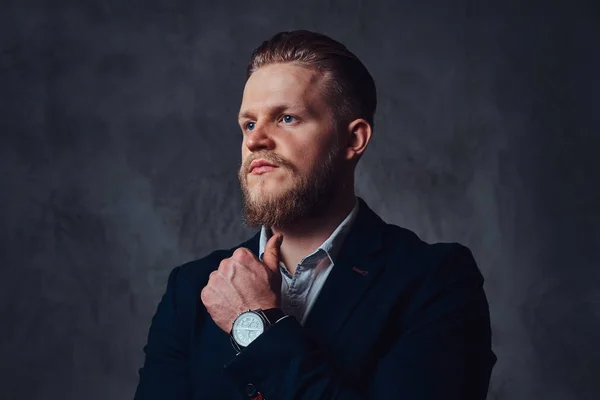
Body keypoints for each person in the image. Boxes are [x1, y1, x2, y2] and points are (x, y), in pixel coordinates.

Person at [134, 29, 496, 400]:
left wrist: (254, 323)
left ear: (352, 140)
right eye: (249, 124)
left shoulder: (434, 281)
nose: (256, 140)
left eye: (287, 118)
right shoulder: (192, 289)